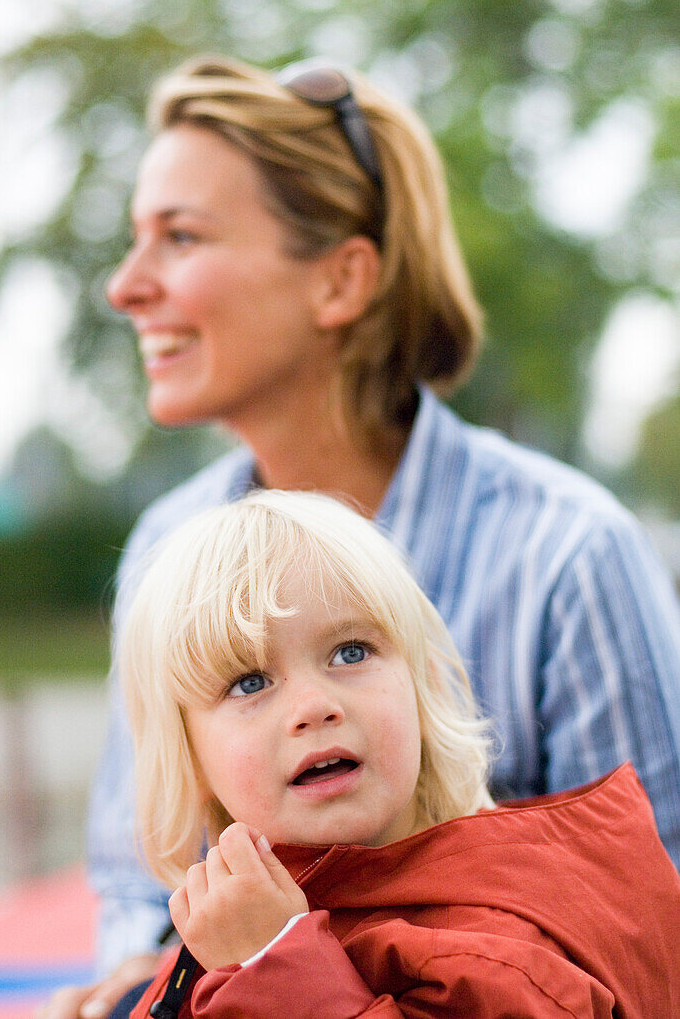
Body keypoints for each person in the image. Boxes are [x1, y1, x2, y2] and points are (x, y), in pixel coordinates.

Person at [39, 55, 680, 1019]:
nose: (126, 287)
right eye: (248, 681)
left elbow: (652, 936)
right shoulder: (166, 549)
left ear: (341, 280)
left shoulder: (567, 551)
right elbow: (142, 897)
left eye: (179, 237)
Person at [125, 491, 678, 1017]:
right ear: (189, 758)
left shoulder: (496, 957)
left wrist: (274, 965)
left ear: (423, 687)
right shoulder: (239, 920)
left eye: (350, 652)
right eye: (249, 683)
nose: (314, 706)